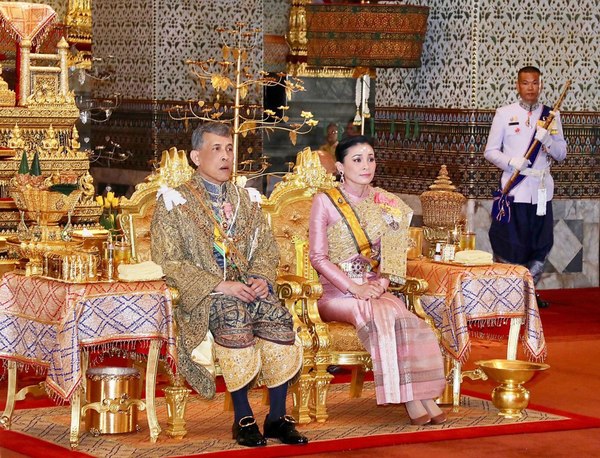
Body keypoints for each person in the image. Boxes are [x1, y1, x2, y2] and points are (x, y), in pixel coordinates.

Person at [151, 122, 308, 447]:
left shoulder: (245, 199)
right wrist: (219, 286)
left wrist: (261, 278)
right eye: (216, 149)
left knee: (278, 319)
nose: (225, 157)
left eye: (229, 149)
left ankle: (277, 418)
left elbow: (266, 247)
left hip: (249, 288)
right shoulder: (174, 202)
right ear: (196, 156)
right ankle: (243, 418)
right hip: (207, 296)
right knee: (234, 317)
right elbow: (168, 260)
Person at [308, 135, 447, 425]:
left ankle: (421, 394)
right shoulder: (325, 202)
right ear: (340, 166)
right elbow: (318, 258)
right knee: (381, 309)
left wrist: (380, 286)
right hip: (337, 293)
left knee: (403, 314)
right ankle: (411, 399)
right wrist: (355, 288)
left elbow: (394, 258)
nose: (366, 165)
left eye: (370, 158)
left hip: (374, 288)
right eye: (357, 159)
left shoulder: (388, 202)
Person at [484, 66, 567, 309]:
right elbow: (490, 152)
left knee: (539, 242)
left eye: (535, 83)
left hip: (540, 192)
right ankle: (511, 293)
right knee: (512, 241)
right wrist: (511, 162)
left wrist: (547, 140)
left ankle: (529, 293)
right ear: (518, 86)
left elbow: (561, 154)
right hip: (515, 191)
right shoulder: (504, 114)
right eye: (525, 83)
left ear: (540, 85)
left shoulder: (552, 116)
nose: (530, 87)